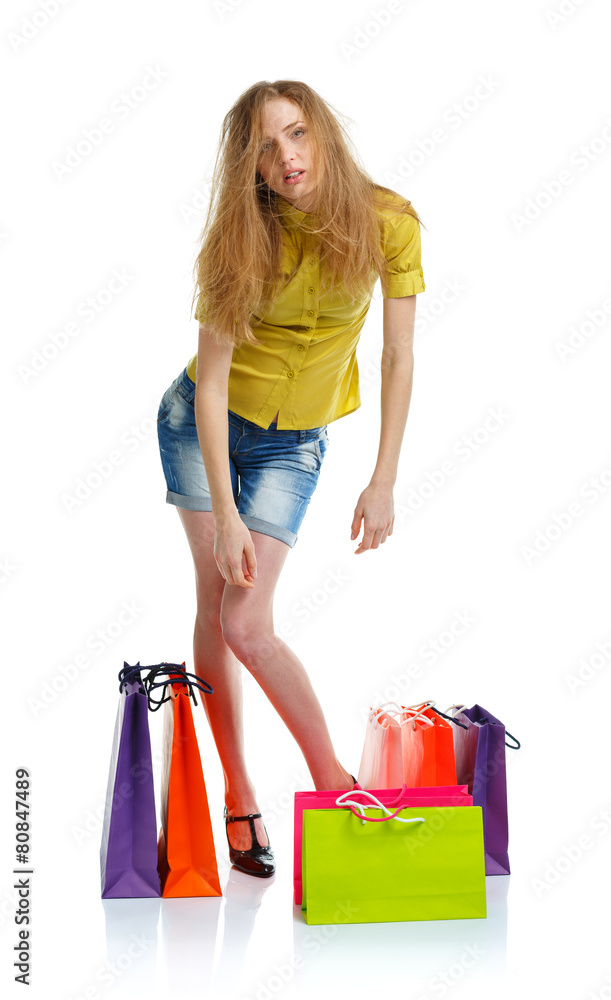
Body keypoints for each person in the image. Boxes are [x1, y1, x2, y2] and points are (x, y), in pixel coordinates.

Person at [156, 79, 426, 878]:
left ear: (324, 137)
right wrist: (227, 516)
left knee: (246, 621)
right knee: (216, 606)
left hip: (292, 445)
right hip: (201, 430)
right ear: (251, 166)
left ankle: (332, 783)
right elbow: (208, 385)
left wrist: (383, 479)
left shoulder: (389, 222)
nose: (287, 157)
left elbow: (397, 354)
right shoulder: (237, 240)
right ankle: (239, 794)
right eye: (266, 148)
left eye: (298, 135)